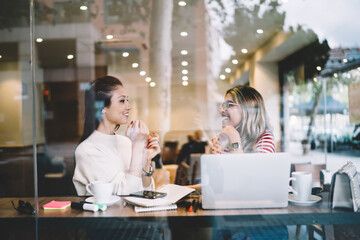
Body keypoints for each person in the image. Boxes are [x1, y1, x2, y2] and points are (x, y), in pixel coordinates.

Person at [73, 76, 160, 196]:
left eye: (127, 100)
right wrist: (138, 146)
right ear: (102, 107)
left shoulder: (126, 142)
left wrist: (145, 160)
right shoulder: (86, 150)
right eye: (122, 101)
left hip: (132, 214)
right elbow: (127, 195)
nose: (128, 106)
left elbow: (148, 192)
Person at [211, 85, 275, 154]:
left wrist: (233, 137)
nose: (221, 110)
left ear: (247, 110)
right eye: (223, 106)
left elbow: (243, 164)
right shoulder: (226, 139)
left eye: (229, 105)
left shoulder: (264, 139)